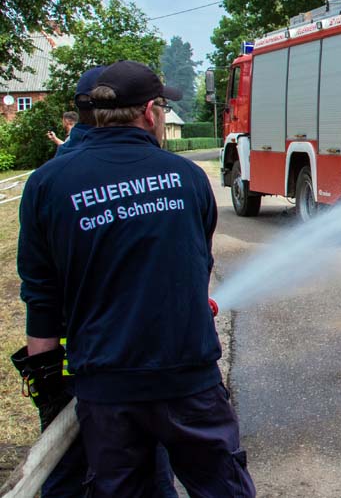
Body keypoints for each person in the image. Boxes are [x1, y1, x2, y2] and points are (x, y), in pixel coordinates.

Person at [18, 60, 255, 497]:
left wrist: (48, 383)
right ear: (151, 112)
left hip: (106, 388)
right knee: (223, 488)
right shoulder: (188, 179)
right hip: (188, 381)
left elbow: (41, 295)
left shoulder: (47, 184)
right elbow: (193, 268)